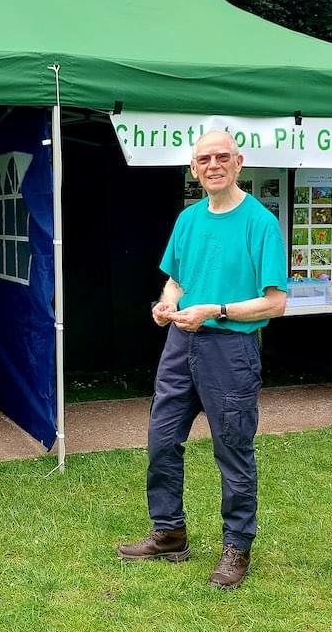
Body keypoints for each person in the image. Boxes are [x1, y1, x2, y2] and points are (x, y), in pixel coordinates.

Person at [118, 130, 287, 590]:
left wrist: (217, 310)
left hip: (230, 350)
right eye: (203, 159)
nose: (213, 165)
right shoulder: (189, 220)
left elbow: (275, 303)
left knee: (232, 450)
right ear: (193, 169)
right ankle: (169, 533)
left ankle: (237, 547)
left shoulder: (260, 223)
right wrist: (164, 304)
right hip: (179, 345)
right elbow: (176, 281)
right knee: (161, 440)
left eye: (222, 157)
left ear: (239, 162)